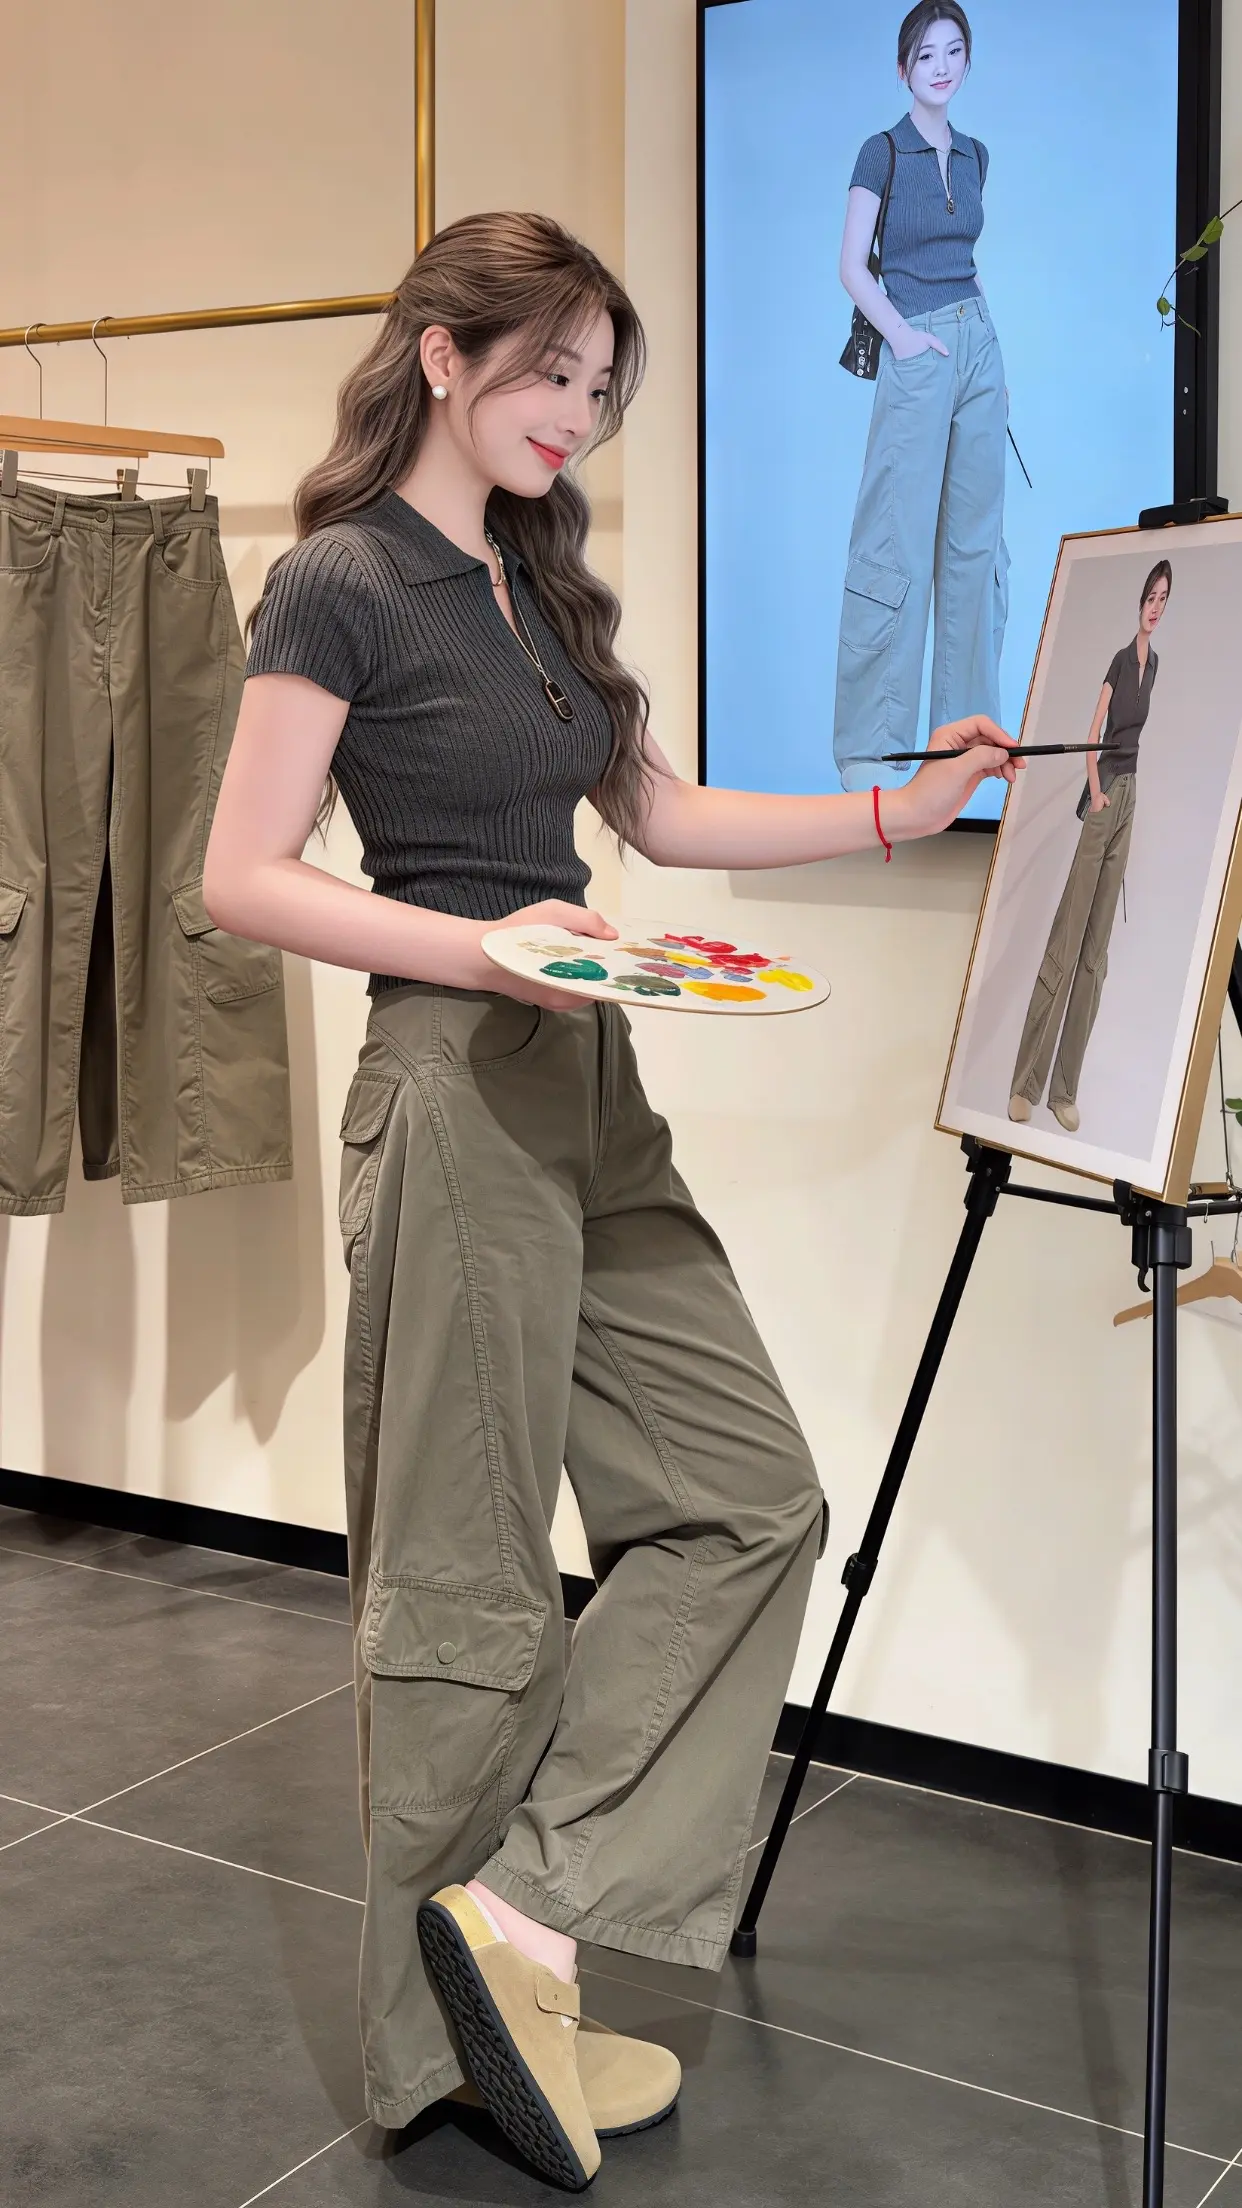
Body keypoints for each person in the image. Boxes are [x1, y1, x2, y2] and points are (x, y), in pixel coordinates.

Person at [203, 210, 1017, 2192]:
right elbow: (240, 874)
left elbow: (659, 814)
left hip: (588, 1080)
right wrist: (481, 948)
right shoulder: (340, 581)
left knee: (752, 1498)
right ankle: (445, 2052)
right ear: (442, 355)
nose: (576, 411)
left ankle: (525, 1917)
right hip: (453, 1077)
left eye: (598, 384)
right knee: (470, 1584)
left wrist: (903, 807)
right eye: (549, 370)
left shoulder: (541, 585)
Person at [834, 2, 1009, 794]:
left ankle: (966, 735)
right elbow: (852, 266)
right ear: (903, 67)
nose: (941, 66)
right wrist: (903, 338)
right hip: (919, 346)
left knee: (975, 546)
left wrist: (985, 355)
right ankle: (872, 748)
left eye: (954, 51)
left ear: (966, 61)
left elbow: (966, 260)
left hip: (979, 341)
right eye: (926, 53)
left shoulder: (975, 154)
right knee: (894, 540)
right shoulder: (882, 151)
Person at [1009, 560, 1172, 1134]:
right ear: (1139, 601)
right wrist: (1097, 792)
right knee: (1067, 935)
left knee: (1096, 952)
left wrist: (1121, 797)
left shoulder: (1156, 667)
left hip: (1131, 797)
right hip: (1105, 798)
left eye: (1164, 599)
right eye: (1151, 597)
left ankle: (1064, 1089)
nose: (1156, 607)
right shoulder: (1120, 662)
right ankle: (1025, 1083)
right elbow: (1093, 733)